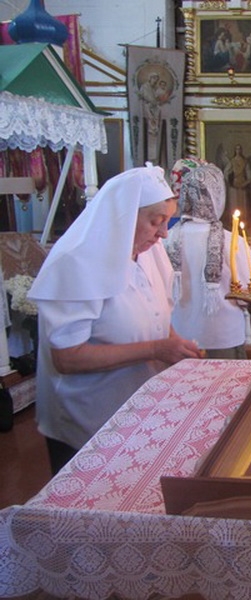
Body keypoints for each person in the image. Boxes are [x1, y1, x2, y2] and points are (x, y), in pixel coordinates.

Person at [27, 164, 202, 475]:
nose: (164, 233)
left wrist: (176, 345)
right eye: (155, 222)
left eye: (167, 221)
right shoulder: (76, 263)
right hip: (86, 415)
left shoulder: (149, 250)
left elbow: (157, 310)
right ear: (124, 218)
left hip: (136, 407)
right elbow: (67, 358)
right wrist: (155, 349)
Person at [165, 159, 251, 359]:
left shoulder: (166, 239)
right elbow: (247, 293)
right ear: (217, 195)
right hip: (224, 335)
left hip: (179, 337)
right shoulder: (232, 241)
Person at [223, 143, 251, 227]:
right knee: (234, 204)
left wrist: (249, 180)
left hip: (243, 184)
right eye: (237, 149)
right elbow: (226, 172)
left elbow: (249, 172)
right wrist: (230, 180)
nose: (238, 150)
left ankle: (243, 223)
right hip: (234, 185)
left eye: (239, 149)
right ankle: (234, 224)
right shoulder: (232, 161)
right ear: (235, 151)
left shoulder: (245, 161)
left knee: (243, 205)